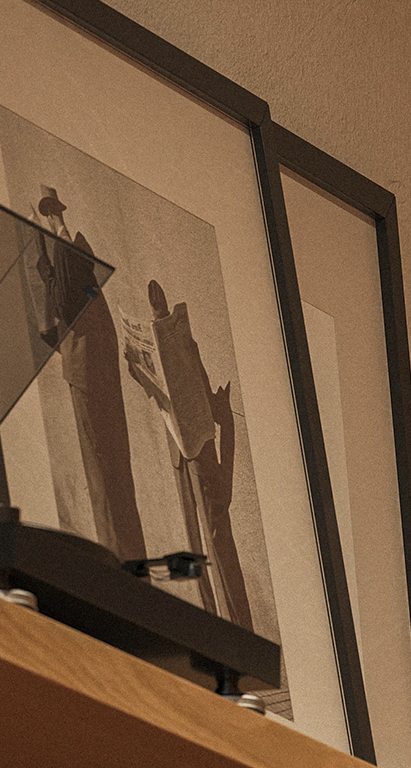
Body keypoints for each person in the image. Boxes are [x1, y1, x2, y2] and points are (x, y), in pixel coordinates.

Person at [122, 279, 252, 627]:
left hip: (199, 449)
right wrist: (136, 367)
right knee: (195, 547)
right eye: (154, 307)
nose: (157, 308)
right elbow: (157, 392)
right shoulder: (160, 343)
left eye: (160, 306)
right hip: (179, 455)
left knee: (218, 542)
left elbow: (203, 387)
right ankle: (211, 621)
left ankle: (239, 626)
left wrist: (218, 409)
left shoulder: (183, 342)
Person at [36, 186, 146, 562]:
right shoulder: (71, 254)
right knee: (111, 473)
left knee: (106, 472)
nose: (53, 217)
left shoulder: (68, 253)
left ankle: (121, 559)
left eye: (52, 212)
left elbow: (62, 311)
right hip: (93, 370)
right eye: (51, 212)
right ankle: (125, 558)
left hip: (90, 371)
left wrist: (50, 260)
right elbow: (65, 311)